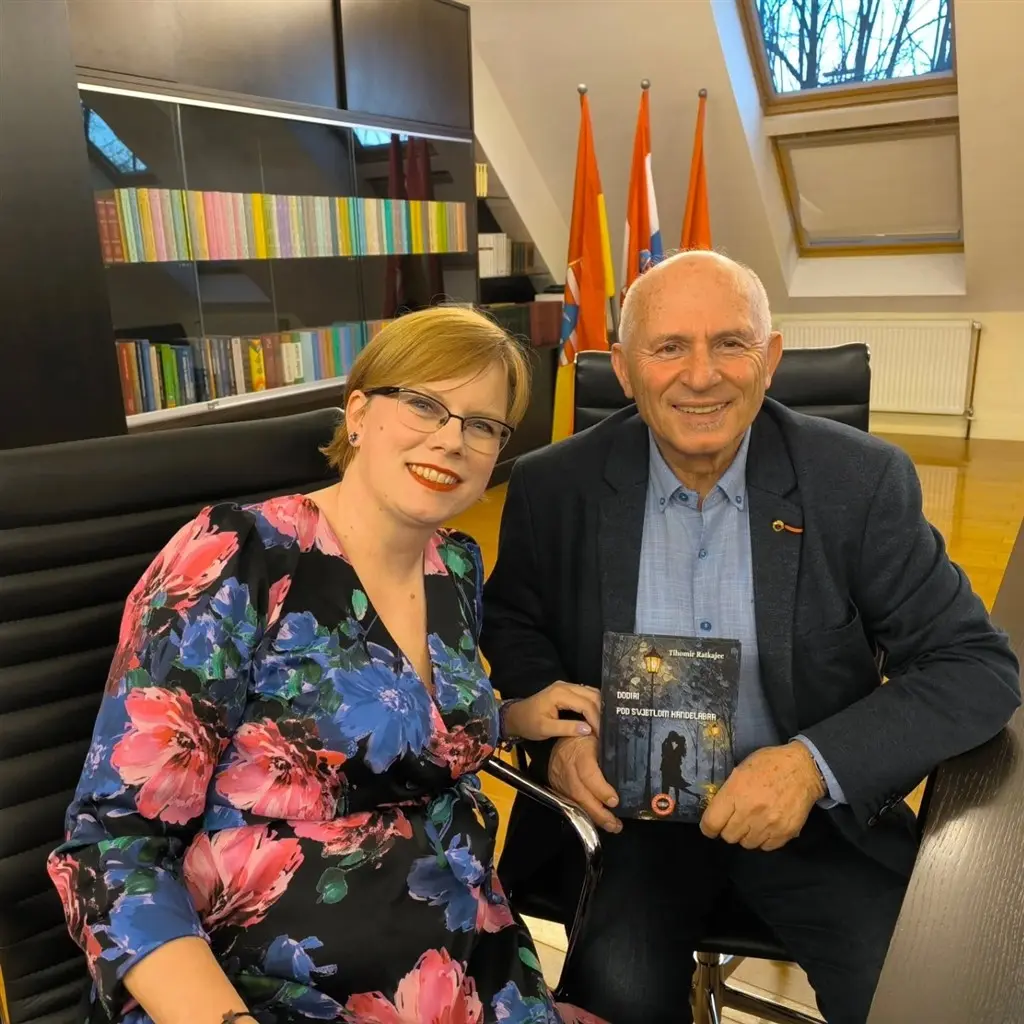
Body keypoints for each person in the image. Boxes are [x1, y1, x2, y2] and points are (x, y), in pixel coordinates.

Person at [481, 251, 1021, 1024]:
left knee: (912, 1001)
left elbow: (975, 666)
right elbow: (515, 623)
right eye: (669, 347)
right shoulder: (553, 485)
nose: (702, 375)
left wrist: (810, 767)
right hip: (626, 820)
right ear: (623, 370)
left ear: (769, 358)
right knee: (616, 999)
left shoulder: (858, 482)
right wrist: (562, 740)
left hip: (813, 816)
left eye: (730, 343)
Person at [48, 306, 608, 1024]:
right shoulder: (241, 558)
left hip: (469, 962)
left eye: (482, 424)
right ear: (359, 413)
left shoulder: (455, 563)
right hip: (264, 988)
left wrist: (509, 717)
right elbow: (114, 846)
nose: (451, 439)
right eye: (424, 405)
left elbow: (401, 734)